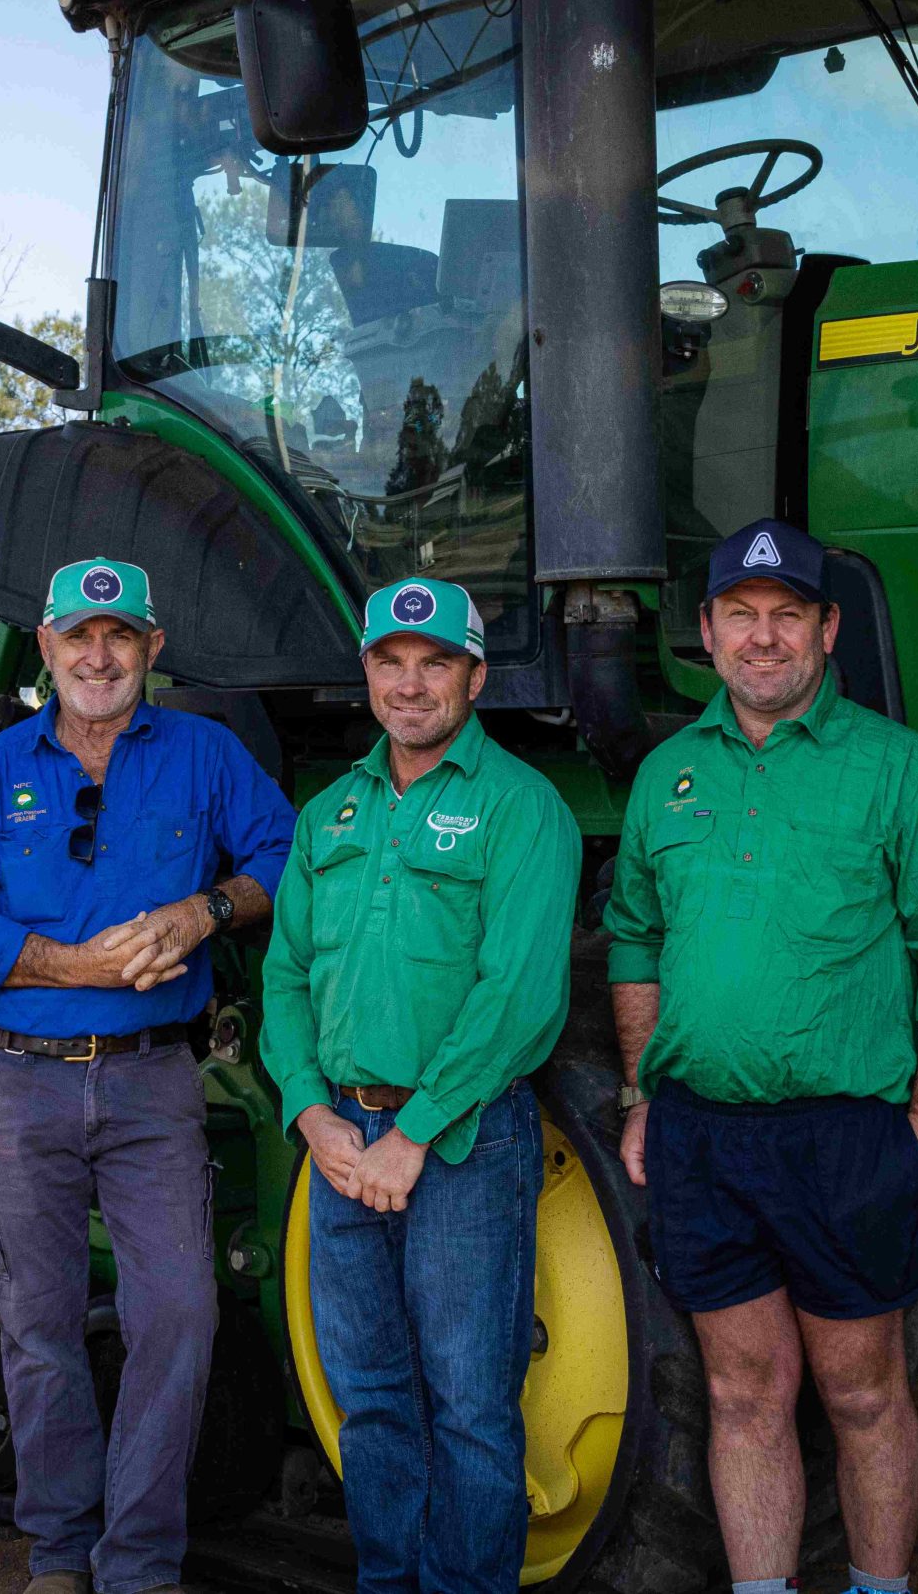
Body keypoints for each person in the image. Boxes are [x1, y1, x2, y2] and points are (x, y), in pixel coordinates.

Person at [604, 519, 918, 1594]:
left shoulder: (900, 770)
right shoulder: (666, 778)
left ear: (827, 629)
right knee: (742, 1394)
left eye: (788, 615)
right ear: (706, 631)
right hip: (702, 1134)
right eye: (741, 615)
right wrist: (644, 1091)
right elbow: (636, 940)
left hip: (844, 1136)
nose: (764, 638)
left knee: (862, 1392)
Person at [0, 556, 294, 1594]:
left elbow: (284, 854)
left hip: (149, 1085)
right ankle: (57, 1550)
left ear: (151, 650)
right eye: (77, 636)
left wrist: (204, 912)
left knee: (178, 1314)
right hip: (13, 1083)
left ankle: (138, 1561)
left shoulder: (206, 757)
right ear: (44, 647)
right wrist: (68, 964)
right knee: (36, 1327)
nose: (98, 655)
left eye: (119, 636)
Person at [261, 577, 579, 1594]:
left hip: (462, 1142)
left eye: (434, 663)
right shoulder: (331, 813)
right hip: (344, 1142)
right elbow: (284, 977)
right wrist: (312, 1113)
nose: (409, 685)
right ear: (366, 674)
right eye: (390, 663)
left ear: (474, 677)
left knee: (470, 1406)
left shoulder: (521, 808)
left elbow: (520, 996)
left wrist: (419, 1131)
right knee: (371, 1400)